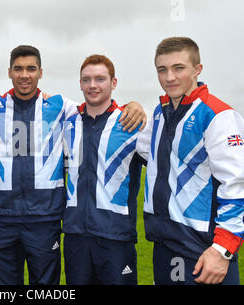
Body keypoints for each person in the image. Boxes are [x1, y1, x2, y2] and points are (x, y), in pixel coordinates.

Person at [0, 45, 146, 285]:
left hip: (44, 220)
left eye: (31, 69)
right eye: (19, 69)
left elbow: (96, 107)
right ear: (10, 72)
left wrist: (132, 106)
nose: (25, 75)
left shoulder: (58, 106)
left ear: (40, 73)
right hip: (1, 221)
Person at [140, 37, 244, 285]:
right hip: (165, 245)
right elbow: (140, 150)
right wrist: (133, 107)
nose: (169, 77)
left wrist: (222, 250)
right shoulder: (161, 112)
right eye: (162, 69)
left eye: (178, 68)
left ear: (197, 69)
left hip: (203, 252)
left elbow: (236, 188)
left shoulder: (218, 115)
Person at [62, 54, 144, 285]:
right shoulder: (68, 123)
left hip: (115, 237)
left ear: (113, 83)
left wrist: (135, 105)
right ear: (80, 84)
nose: (92, 85)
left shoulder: (131, 123)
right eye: (86, 80)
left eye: (100, 79)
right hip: (75, 236)